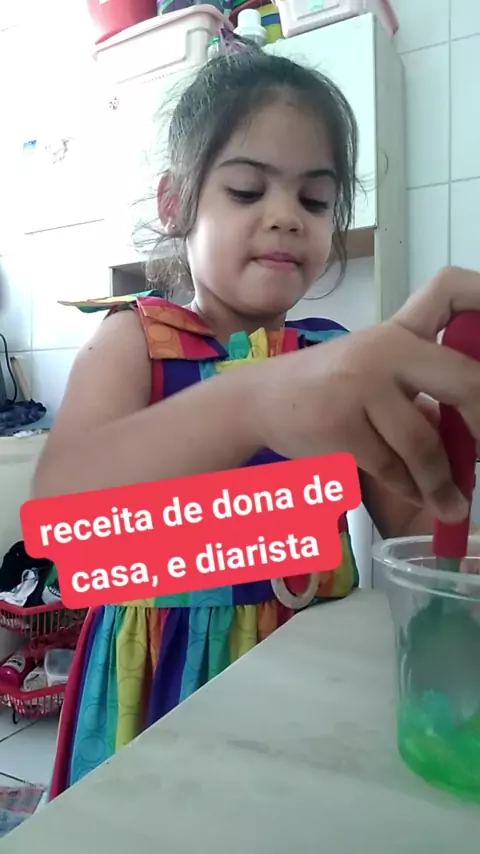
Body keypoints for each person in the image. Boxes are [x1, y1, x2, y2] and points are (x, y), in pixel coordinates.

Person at [34, 48, 480, 799]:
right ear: (175, 203)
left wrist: (449, 510)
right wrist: (252, 403)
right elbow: (70, 527)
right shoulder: (136, 342)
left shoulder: (335, 358)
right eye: (246, 190)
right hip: (161, 680)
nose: (285, 216)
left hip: (311, 669)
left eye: (315, 201)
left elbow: (413, 522)